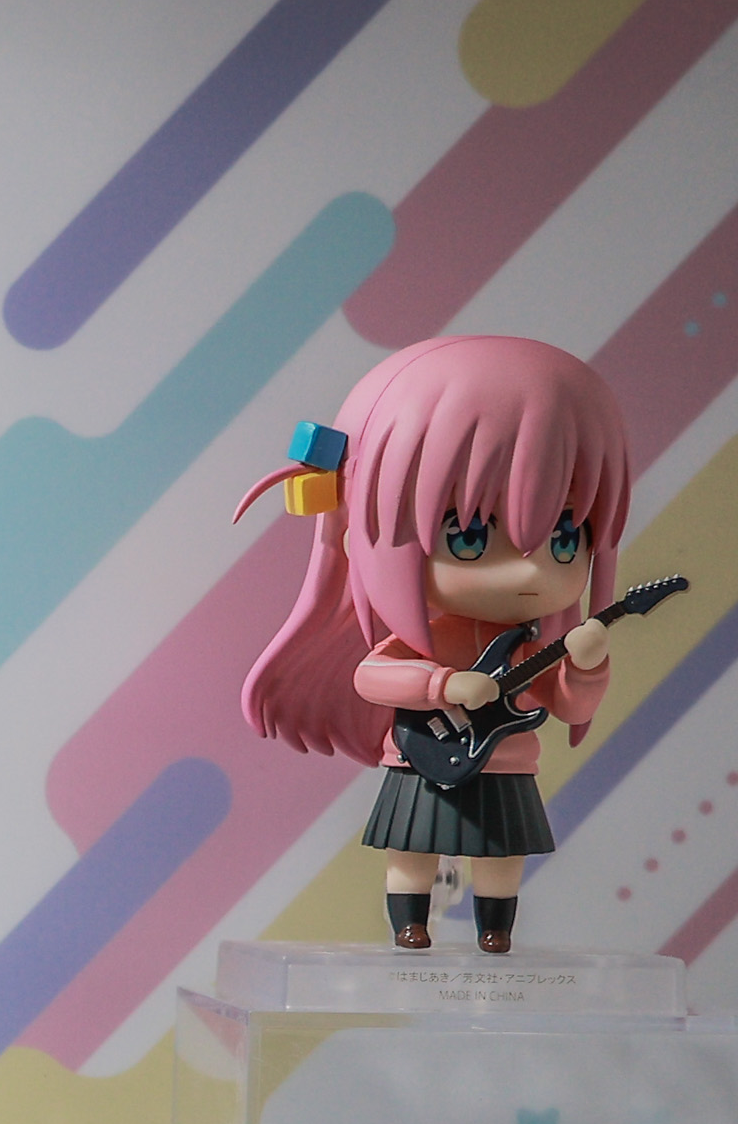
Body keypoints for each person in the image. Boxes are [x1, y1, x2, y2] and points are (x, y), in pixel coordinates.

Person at [237, 335, 636, 954]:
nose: (530, 571)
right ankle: (410, 923)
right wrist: (442, 683)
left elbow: (570, 704)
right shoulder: (428, 639)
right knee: (411, 848)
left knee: (501, 854)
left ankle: (495, 928)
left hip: (506, 763)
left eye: (565, 537)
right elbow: (373, 675)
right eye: (469, 535)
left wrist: (586, 668)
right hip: (424, 755)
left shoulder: (528, 644)